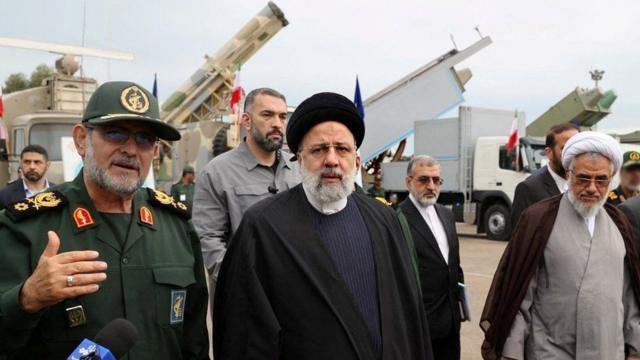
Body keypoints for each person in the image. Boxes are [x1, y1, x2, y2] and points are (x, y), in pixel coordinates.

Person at [213, 92, 433, 359]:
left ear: (356, 160)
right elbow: (244, 336)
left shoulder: (384, 220)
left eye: (342, 149)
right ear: (299, 159)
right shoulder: (261, 227)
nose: (331, 160)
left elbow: (409, 317)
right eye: (319, 149)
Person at [0, 81, 209, 359]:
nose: (132, 150)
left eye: (145, 139)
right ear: (81, 140)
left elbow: (193, 341)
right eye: (116, 133)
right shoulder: (25, 227)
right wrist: (27, 298)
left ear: (155, 152)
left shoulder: (176, 226)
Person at [480, 131, 640, 360]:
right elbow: (520, 293)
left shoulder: (620, 223)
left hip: (607, 351)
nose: (592, 188)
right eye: (583, 178)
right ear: (569, 174)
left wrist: (635, 348)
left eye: (601, 180)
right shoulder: (539, 219)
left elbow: (629, 293)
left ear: (611, 178)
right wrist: (511, 353)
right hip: (550, 351)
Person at [192, 88, 300, 302]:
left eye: (282, 116)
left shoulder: (300, 169)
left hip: (295, 296)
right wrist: (244, 280)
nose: (277, 123)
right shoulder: (217, 173)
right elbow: (208, 239)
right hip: (243, 299)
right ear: (247, 121)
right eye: (267, 115)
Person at [398, 155, 465, 360]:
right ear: (409, 182)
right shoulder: (396, 219)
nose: (431, 186)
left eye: (436, 180)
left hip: (450, 322)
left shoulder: (446, 215)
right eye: (424, 180)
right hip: (418, 323)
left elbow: (453, 265)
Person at [510, 123, 579, 228]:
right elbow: (520, 238)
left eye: (578, 147)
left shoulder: (586, 184)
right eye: (566, 148)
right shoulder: (529, 189)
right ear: (549, 153)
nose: (574, 153)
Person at [0, 144, 54, 209]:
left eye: (37, 162)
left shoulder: (59, 193)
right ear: (20, 164)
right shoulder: (4, 195)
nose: (32, 167)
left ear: (47, 165)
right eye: (27, 162)